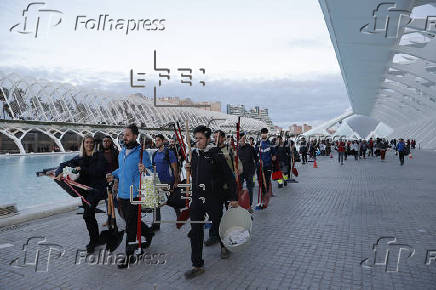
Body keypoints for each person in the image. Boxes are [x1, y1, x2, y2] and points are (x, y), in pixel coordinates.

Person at [184, 125, 238, 279]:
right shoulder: (194, 154)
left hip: (214, 197)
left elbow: (229, 177)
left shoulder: (215, 154)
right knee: (195, 231)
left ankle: (224, 245)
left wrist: (233, 197)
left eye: (200, 138)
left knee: (218, 224)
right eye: (196, 138)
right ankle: (197, 265)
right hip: (197, 199)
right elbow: (196, 174)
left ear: (208, 139)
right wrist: (189, 168)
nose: (197, 141)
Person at [106, 124, 154, 269]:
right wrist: (113, 174)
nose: (124, 138)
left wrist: (145, 169)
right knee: (130, 221)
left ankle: (129, 255)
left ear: (134, 136)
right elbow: (122, 169)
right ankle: (148, 233)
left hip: (135, 194)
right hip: (122, 193)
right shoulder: (121, 153)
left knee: (130, 227)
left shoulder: (142, 153)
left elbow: (151, 172)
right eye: (123, 135)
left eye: (127, 135)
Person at [55, 135, 108, 254]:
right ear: (83, 144)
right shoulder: (79, 157)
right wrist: (59, 173)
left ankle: (93, 241)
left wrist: (81, 169)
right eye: (87, 142)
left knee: (87, 214)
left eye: (91, 142)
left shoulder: (99, 156)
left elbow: (98, 172)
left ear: (94, 144)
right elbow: (64, 164)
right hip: (85, 190)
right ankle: (96, 239)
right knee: (88, 215)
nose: (89, 144)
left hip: (96, 189)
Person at [151, 134, 180, 229]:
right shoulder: (155, 154)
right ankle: (156, 223)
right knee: (156, 203)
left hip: (169, 181)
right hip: (158, 182)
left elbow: (175, 167)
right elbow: (153, 168)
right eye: (156, 140)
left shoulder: (169, 152)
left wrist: (176, 181)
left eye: (159, 140)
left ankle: (179, 217)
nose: (157, 142)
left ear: (163, 141)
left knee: (174, 201)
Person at [100, 135, 119, 227]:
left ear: (111, 142)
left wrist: (117, 180)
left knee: (116, 200)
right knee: (107, 201)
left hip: (115, 179)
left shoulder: (115, 153)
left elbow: (120, 167)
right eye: (104, 141)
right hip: (105, 180)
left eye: (108, 141)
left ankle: (126, 216)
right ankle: (109, 219)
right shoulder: (99, 154)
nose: (106, 143)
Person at [256, 128, 276, 206]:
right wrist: (258, 159)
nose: (264, 134)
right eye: (262, 133)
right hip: (259, 166)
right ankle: (263, 195)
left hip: (268, 166)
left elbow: (274, 154)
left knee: (267, 181)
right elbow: (255, 153)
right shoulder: (258, 143)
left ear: (267, 134)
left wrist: (274, 157)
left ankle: (265, 197)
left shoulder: (270, 143)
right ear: (261, 134)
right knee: (260, 182)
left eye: (265, 133)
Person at [238, 132, 257, 212]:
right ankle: (241, 204)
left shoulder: (250, 148)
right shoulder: (236, 149)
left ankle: (249, 205)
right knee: (239, 189)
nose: (241, 140)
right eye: (240, 139)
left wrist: (254, 168)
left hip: (249, 172)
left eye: (243, 139)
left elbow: (256, 158)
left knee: (250, 189)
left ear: (245, 139)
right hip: (240, 172)